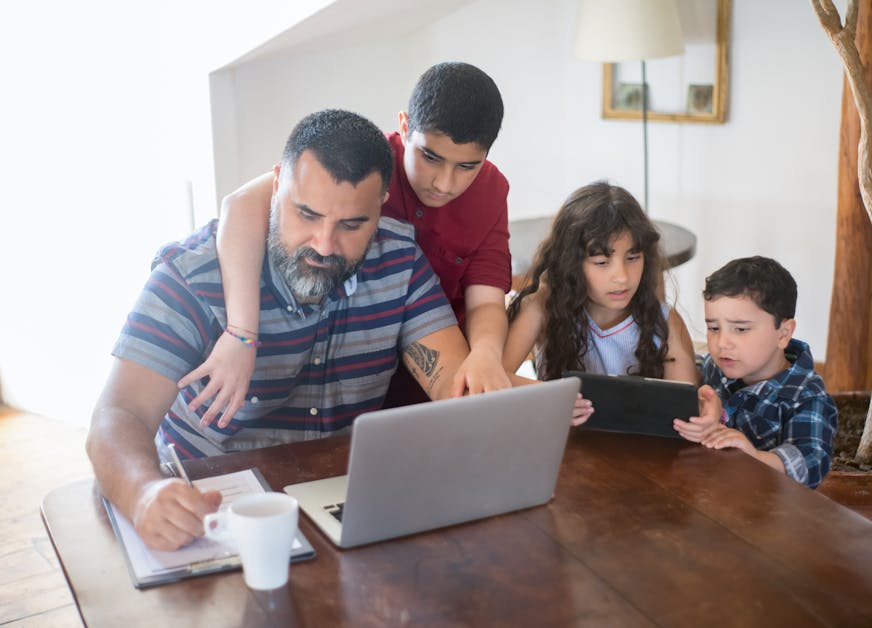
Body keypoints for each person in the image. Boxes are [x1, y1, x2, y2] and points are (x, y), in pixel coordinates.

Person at [86, 109, 472, 551]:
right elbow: (117, 415)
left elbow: (453, 382)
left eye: (352, 224)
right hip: (208, 513)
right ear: (276, 187)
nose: (324, 245)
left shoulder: (400, 258)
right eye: (306, 214)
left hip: (341, 506)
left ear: (382, 204)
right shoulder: (192, 276)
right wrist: (144, 493)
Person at [185, 61, 512, 427]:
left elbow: (487, 299)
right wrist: (242, 334)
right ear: (404, 127)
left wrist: (486, 352)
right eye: (430, 157)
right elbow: (242, 204)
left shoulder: (492, 192)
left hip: (443, 367)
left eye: (467, 166)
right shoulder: (363, 163)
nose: (445, 183)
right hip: (358, 375)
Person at [502, 181, 698, 424]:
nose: (622, 277)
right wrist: (552, 399)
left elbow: (684, 409)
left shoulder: (667, 322)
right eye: (602, 262)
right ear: (571, 263)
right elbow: (494, 377)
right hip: (564, 445)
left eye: (633, 257)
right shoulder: (541, 307)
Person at [673, 256, 838, 489]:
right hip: (713, 494)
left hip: (770, 511)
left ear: (783, 333)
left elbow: (811, 462)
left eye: (740, 329)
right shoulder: (714, 367)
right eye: (713, 328)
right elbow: (689, 370)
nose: (722, 343)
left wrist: (754, 458)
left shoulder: (806, 395)